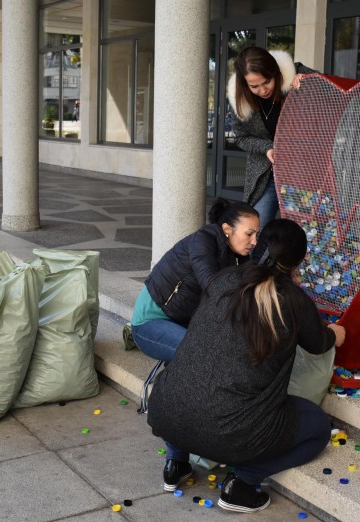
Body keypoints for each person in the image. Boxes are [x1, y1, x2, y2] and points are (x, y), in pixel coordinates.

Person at [147, 219, 347, 512]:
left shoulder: (223, 279)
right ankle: (243, 484)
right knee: (316, 426)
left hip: (164, 411)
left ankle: (175, 463)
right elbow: (318, 344)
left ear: (258, 246)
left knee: (190, 388)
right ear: (297, 262)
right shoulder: (292, 299)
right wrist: (336, 333)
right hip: (232, 432)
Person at [129, 197, 259, 363]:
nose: (254, 241)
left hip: (185, 321)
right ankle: (167, 385)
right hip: (150, 322)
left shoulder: (238, 255)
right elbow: (212, 286)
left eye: (257, 234)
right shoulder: (202, 241)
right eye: (249, 234)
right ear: (227, 229)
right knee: (204, 356)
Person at [227, 47, 316, 228]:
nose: (262, 90)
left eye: (267, 81)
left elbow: (331, 89)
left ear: (276, 72)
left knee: (306, 230)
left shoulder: (296, 73)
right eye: (254, 86)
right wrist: (267, 148)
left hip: (302, 173)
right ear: (245, 84)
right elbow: (241, 137)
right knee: (255, 228)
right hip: (266, 175)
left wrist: (309, 82)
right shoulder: (240, 101)